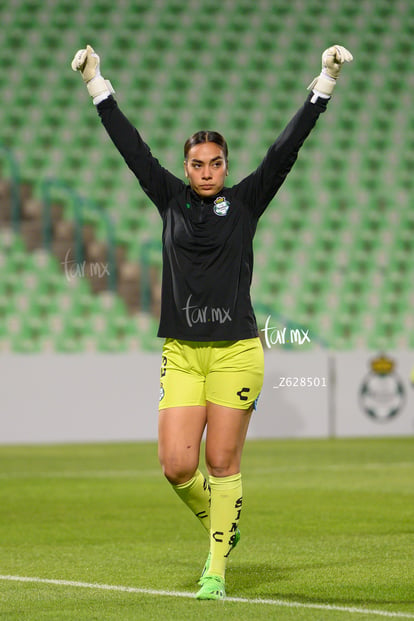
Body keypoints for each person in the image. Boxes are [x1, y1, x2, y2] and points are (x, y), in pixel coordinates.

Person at [71, 43, 352, 600]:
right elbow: (132, 150)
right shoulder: (170, 200)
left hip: (236, 352)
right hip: (182, 352)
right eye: (196, 163)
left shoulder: (246, 202)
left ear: (226, 165)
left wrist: (323, 83)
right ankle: (224, 524)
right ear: (185, 168)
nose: (206, 171)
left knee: (222, 463)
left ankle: (215, 569)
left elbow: (284, 152)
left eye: (215, 163)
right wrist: (96, 86)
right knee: (177, 466)